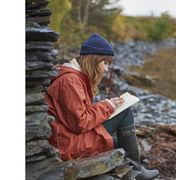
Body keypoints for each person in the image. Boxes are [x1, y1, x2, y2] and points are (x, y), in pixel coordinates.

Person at [44, 33, 159, 179]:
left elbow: (77, 113)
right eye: (105, 63)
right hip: (68, 145)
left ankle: (133, 171)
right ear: (93, 61)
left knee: (120, 141)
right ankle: (137, 170)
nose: (106, 69)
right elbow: (80, 122)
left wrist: (107, 105)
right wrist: (108, 107)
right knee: (124, 113)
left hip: (69, 138)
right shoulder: (70, 81)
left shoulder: (74, 77)